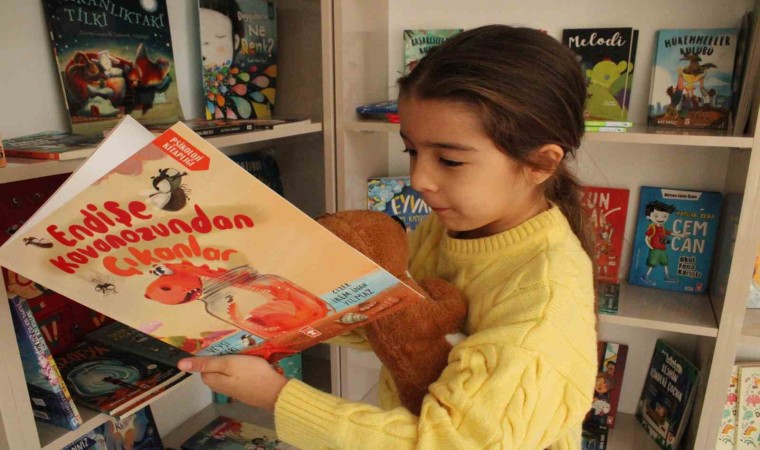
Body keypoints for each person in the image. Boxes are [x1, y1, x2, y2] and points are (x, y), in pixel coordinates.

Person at [178, 25, 597, 449]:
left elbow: (448, 443)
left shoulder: (543, 304)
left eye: (450, 160)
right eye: (411, 151)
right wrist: (283, 314)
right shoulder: (451, 226)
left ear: (541, 163)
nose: (419, 179)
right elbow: (397, 323)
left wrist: (276, 396)